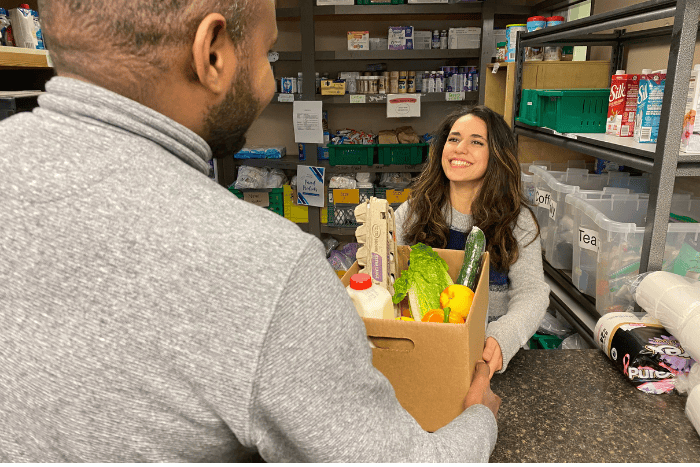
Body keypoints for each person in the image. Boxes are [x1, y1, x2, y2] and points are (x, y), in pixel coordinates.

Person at [0, 0, 501, 462]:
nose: (267, 79)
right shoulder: (266, 267)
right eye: (268, 52)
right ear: (212, 54)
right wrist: (481, 414)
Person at [394, 105, 550, 378]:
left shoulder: (517, 221)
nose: (459, 148)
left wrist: (503, 337)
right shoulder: (416, 209)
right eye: (453, 139)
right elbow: (383, 267)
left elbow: (533, 293)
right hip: (422, 350)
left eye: (476, 142)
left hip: (484, 356)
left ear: (497, 155)